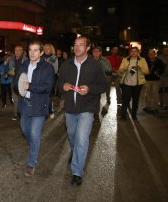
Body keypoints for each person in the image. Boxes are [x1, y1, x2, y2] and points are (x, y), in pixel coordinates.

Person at [57, 35, 108, 186]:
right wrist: (63, 86)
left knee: (82, 139)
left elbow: (104, 86)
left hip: (87, 108)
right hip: (70, 108)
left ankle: (77, 172)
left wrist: (90, 89)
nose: (77, 47)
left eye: (81, 45)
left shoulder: (95, 65)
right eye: (75, 44)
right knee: (72, 136)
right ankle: (74, 151)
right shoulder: (66, 65)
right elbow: (58, 82)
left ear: (87, 48)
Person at [16, 40, 55, 176]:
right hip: (24, 104)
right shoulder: (24, 64)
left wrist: (30, 86)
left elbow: (48, 87)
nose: (32, 53)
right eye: (30, 50)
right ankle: (34, 146)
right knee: (25, 130)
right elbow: (17, 80)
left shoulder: (47, 67)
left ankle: (31, 163)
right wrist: (18, 85)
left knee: (34, 133)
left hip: (39, 105)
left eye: (35, 50)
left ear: (41, 52)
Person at [119, 47, 149, 120]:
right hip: (126, 83)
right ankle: (123, 115)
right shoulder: (125, 59)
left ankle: (134, 115)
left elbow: (146, 71)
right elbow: (120, 70)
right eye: (132, 51)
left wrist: (140, 68)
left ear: (138, 52)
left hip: (137, 84)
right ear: (130, 52)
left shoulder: (142, 60)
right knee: (125, 99)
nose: (133, 53)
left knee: (135, 99)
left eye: (135, 51)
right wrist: (124, 68)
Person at [8, 45, 28, 120]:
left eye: (19, 50)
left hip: (22, 82)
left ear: (22, 51)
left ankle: (21, 113)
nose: (17, 52)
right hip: (13, 81)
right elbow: (7, 69)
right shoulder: (10, 59)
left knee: (22, 98)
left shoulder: (26, 60)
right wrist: (9, 72)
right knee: (15, 98)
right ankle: (16, 114)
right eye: (16, 50)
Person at [42, 43, 59, 118]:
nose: (46, 50)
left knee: (48, 97)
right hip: (40, 80)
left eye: (48, 48)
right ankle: (43, 111)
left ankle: (50, 110)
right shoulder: (41, 57)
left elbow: (54, 70)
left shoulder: (54, 58)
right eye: (44, 48)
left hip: (50, 80)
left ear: (51, 49)